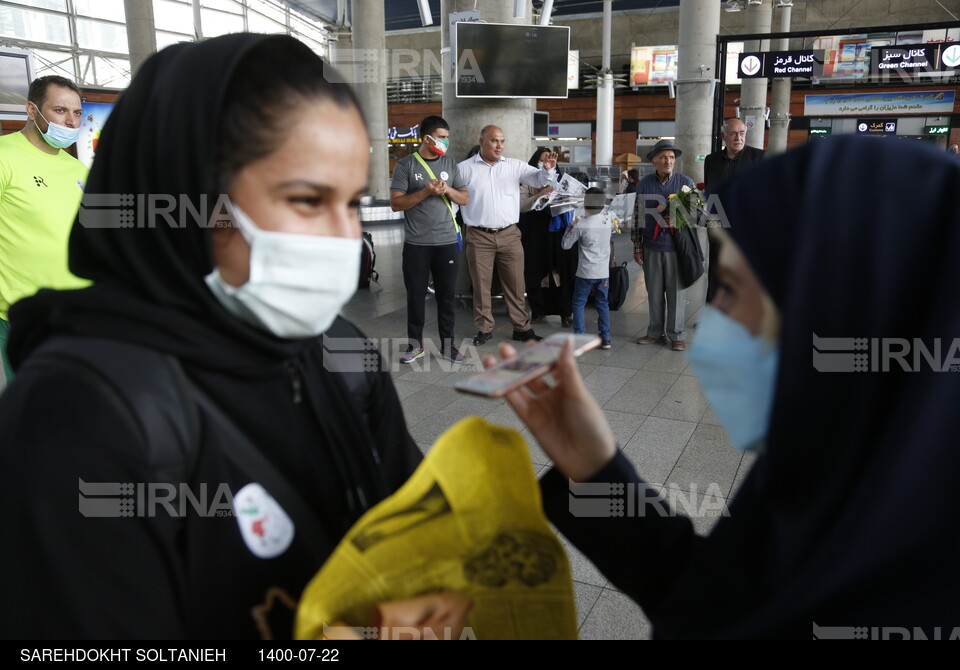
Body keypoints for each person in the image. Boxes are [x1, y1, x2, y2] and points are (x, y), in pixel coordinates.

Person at [0, 34, 429, 639]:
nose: (344, 238)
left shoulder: (339, 350)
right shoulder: (78, 413)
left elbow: (417, 525)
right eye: (307, 199)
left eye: (353, 202)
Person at [494, 136, 960, 638]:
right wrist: (596, 470)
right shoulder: (828, 480)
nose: (712, 325)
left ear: (842, 308)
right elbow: (712, 598)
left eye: (732, 292)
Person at [0, 75, 89, 382]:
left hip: (78, 312)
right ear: (31, 110)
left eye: (77, 113)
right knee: (36, 417)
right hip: (25, 316)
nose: (70, 121)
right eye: (60, 110)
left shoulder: (77, 169)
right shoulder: (4, 157)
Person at [457, 126, 557, 346]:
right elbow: (454, 198)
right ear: (482, 141)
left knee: (515, 284)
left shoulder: (514, 166)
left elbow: (538, 180)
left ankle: (521, 328)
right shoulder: (464, 169)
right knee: (481, 286)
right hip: (479, 236)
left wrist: (548, 170)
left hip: (510, 235)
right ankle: (484, 328)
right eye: (494, 141)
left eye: (502, 140)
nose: (499, 145)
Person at [390, 115, 469, 364]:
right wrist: (426, 191)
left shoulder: (450, 163)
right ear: (427, 138)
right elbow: (395, 203)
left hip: (446, 242)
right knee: (415, 297)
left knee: (446, 297)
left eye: (447, 137)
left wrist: (448, 190)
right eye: (442, 137)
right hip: (417, 245)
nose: (446, 141)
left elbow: (464, 197)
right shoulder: (406, 166)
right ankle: (415, 346)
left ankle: (448, 345)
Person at [632, 139, 695, 351]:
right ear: (654, 161)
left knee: (677, 293)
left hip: (677, 249)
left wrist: (679, 219)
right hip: (651, 247)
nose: (668, 160)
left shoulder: (686, 183)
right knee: (655, 292)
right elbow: (637, 217)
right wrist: (638, 247)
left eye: (671, 157)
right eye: (663, 157)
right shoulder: (644, 184)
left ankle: (676, 334)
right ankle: (654, 332)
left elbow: (698, 215)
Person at [703, 117, 765, 303]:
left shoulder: (759, 158)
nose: (738, 137)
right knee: (716, 269)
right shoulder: (711, 160)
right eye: (733, 133)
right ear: (724, 136)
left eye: (742, 133)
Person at [561, 188, 612, 350]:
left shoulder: (581, 225)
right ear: (603, 205)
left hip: (585, 272)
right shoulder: (609, 219)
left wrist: (571, 226)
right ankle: (606, 338)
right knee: (602, 304)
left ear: (585, 205)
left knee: (578, 302)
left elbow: (565, 245)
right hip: (603, 272)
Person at [518, 147, 556, 323]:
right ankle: (538, 309)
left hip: (554, 229)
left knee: (556, 270)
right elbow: (522, 206)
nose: (545, 162)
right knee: (533, 271)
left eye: (548, 158)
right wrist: (540, 194)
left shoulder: (557, 178)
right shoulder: (527, 181)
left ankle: (562, 310)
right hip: (532, 230)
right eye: (542, 159)